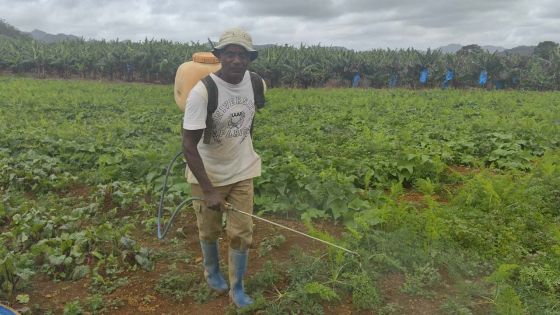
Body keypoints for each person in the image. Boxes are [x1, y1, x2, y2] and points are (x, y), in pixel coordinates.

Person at [181, 27, 263, 308]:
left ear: (250, 58)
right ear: (219, 56)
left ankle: (237, 288)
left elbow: (249, 120)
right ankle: (213, 272)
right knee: (209, 230)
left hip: (242, 170)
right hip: (208, 174)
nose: (237, 60)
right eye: (230, 53)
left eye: (243, 54)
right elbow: (189, 147)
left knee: (241, 232)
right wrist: (208, 190)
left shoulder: (256, 84)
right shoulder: (202, 93)